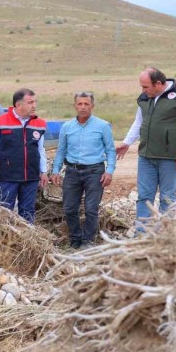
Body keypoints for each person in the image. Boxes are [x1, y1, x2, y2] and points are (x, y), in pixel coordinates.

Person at [116, 68, 176, 226]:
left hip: (170, 158)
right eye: (142, 87)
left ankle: (165, 234)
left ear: (158, 84)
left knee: (168, 198)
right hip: (146, 157)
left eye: (146, 87)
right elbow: (139, 123)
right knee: (144, 197)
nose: (143, 90)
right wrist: (127, 143)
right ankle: (142, 234)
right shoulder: (145, 98)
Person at [51, 92, 116, 248]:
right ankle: (75, 238)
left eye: (86, 104)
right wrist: (55, 170)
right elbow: (61, 150)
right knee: (69, 208)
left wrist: (110, 171)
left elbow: (110, 150)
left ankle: (88, 240)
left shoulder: (103, 126)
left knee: (91, 208)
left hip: (95, 172)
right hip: (72, 171)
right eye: (79, 104)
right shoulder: (67, 127)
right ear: (75, 106)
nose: (83, 107)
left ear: (92, 106)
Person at [0, 88, 49, 223]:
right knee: (4, 210)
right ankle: (4, 241)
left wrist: (43, 171)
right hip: (7, 176)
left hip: (31, 177)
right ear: (19, 105)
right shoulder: (0, 122)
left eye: (35, 102)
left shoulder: (40, 124)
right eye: (30, 102)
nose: (34, 105)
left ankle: (28, 241)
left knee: (28, 211)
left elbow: (40, 149)